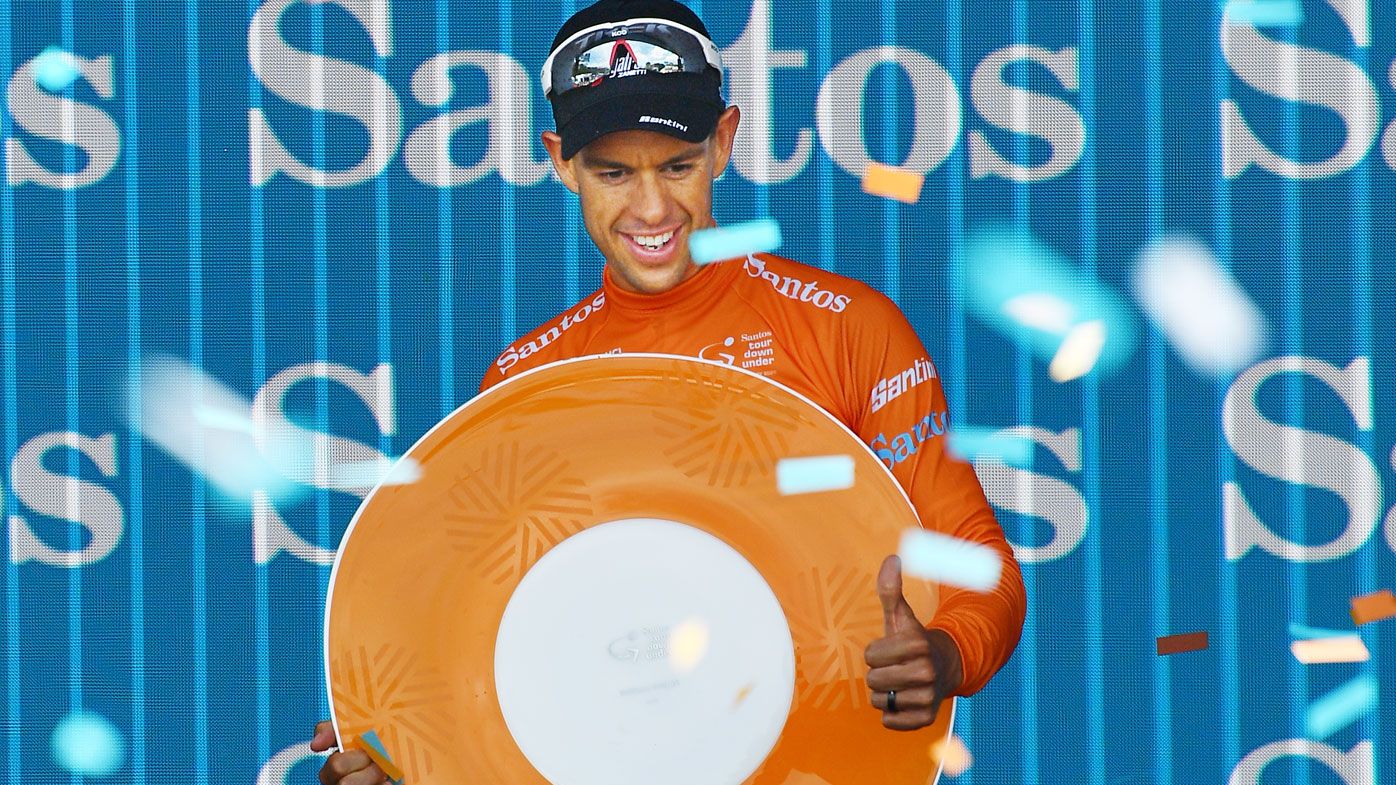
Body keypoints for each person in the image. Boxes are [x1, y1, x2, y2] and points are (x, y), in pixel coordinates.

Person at [312, 0, 1026, 781]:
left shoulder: (848, 327)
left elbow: (975, 565)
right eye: (614, 172)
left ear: (724, 142)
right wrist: (403, 746)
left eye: (677, 165)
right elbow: (501, 648)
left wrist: (946, 653)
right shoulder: (524, 385)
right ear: (560, 160)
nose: (651, 209)